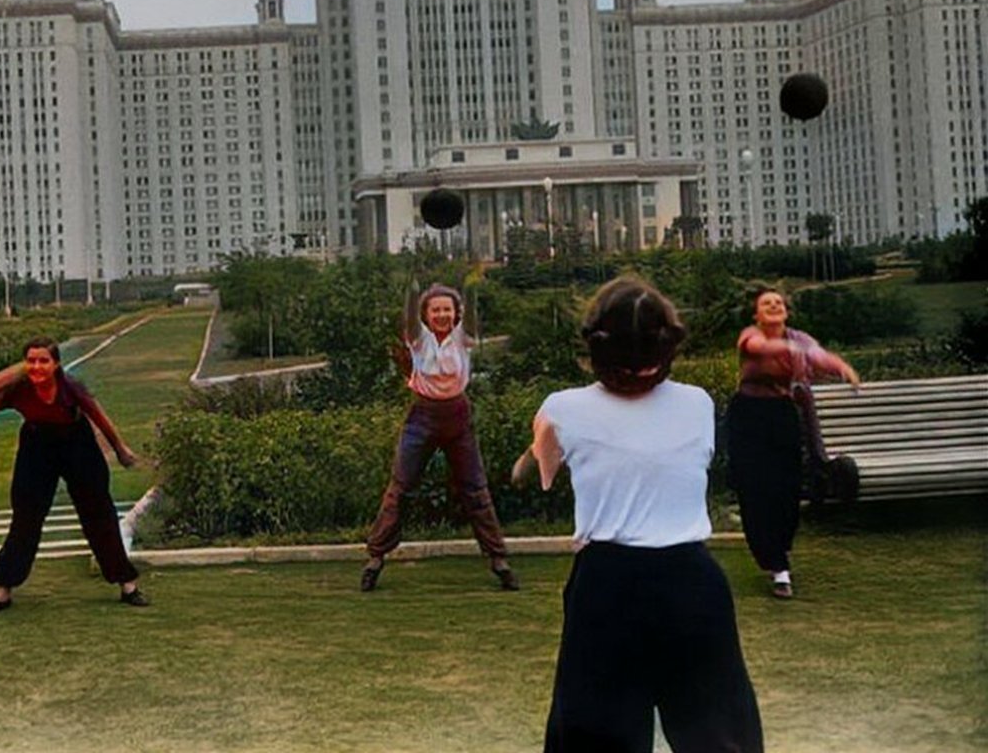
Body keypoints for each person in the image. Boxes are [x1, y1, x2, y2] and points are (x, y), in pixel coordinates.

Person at [515, 277, 763, 752]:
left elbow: (540, 473)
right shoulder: (698, 403)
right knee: (717, 734)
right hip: (692, 581)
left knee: (596, 735)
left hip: (607, 584)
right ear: (667, 343)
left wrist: (533, 451)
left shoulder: (562, 408)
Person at [0, 336, 148, 615]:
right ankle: (2, 592)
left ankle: (128, 585)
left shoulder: (70, 387)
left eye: (43, 361)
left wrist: (120, 449)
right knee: (26, 517)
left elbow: (98, 416)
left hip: (77, 445)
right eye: (31, 361)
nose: (36, 367)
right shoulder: (16, 389)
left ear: (56, 364)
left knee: (99, 513)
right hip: (37, 446)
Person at [360, 284, 518, 593]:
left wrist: (472, 285)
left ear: (456, 314)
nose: (442, 315)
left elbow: (470, 315)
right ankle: (375, 558)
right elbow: (407, 319)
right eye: (435, 310)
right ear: (426, 315)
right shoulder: (418, 340)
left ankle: (498, 559)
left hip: (457, 416)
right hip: (422, 416)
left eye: (448, 309)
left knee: (476, 489)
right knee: (400, 488)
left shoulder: (463, 338)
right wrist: (411, 290)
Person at [726, 286, 860, 599]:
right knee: (754, 488)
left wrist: (842, 367)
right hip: (748, 416)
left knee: (786, 488)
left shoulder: (801, 339)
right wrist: (806, 356)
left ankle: (779, 551)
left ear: (786, 310)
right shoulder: (750, 336)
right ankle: (778, 567)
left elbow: (821, 356)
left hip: (782, 414)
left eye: (778, 302)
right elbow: (762, 348)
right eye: (766, 303)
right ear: (756, 315)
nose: (773, 306)